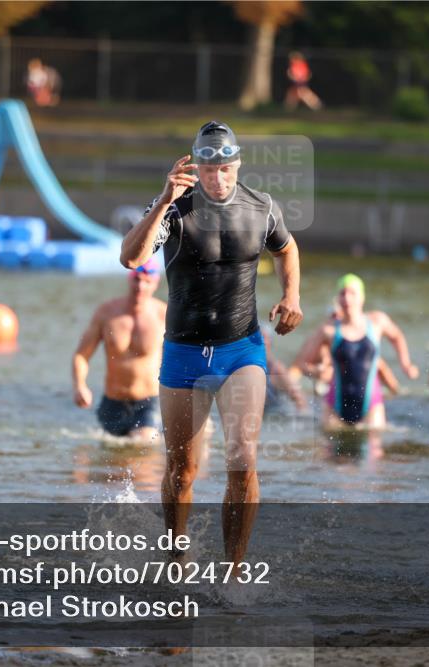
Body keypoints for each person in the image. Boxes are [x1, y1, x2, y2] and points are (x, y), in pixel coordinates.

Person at [119, 120, 303, 564]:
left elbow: (286, 248)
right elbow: (131, 257)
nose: (216, 179)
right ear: (195, 169)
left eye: (224, 169)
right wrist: (164, 201)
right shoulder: (174, 209)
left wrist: (291, 295)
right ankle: (175, 559)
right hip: (183, 352)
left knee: (242, 462)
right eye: (207, 170)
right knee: (183, 472)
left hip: (241, 349)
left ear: (237, 165)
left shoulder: (262, 208)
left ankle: (235, 569)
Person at [293, 274, 418, 430]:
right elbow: (302, 363)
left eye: (352, 293)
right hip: (335, 407)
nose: (347, 298)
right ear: (338, 299)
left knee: (373, 451)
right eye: (342, 293)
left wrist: (406, 364)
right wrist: (317, 372)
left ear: (362, 297)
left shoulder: (377, 321)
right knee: (330, 452)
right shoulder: (328, 330)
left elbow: (397, 336)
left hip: (371, 406)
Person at [72, 260, 167, 441]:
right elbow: (81, 356)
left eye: (147, 281)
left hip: (148, 403)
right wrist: (80, 386)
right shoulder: (107, 313)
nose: (141, 286)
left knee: (143, 448)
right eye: (137, 279)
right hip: (112, 402)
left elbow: (183, 359)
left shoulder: (163, 315)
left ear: (155, 283)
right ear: (129, 279)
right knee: (111, 460)